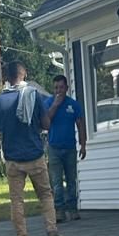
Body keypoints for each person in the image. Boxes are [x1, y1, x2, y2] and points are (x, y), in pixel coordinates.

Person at [0, 59, 63, 236]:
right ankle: (52, 231)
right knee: (45, 195)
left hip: (13, 159)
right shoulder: (33, 96)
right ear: (24, 74)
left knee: (17, 200)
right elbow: (46, 124)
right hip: (35, 155)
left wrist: (3, 127)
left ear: (7, 77)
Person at [44, 73, 86, 223]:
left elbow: (80, 124)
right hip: (54, 147)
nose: (58, 91)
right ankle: (59, 210)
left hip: (70, 148)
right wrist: (55, 104)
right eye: (56, 88)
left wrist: (83, 144)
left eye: (61, 87)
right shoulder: (48, 103)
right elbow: (46, 120)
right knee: (56, 181)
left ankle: (73, 208)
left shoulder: (73, 104)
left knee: (71, 180)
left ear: (67, 88)